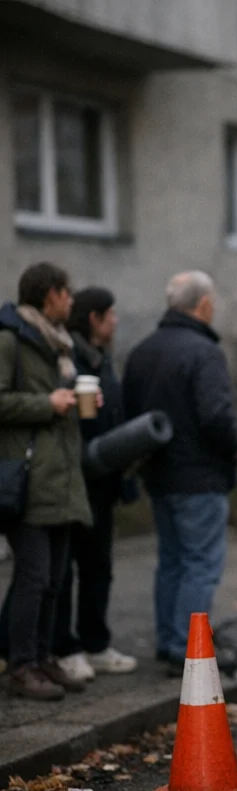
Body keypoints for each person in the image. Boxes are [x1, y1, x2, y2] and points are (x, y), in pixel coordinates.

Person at [122, 271, 237, 673]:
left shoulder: (141, 351)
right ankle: (187, 649)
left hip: (159, 476)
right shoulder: (204, 353)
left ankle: (168, 639)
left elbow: (129, 417)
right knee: (200, 565)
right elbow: (217, 417)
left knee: (171, 562)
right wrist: (232, 450)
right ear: (203, 305)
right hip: (200, 477)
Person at [0, 263, 92, 700]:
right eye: (66, 292)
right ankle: (20, 666)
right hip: (27, 479)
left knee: (55, 579)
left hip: (60, 478)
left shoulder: (59, 344)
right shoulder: (11, 341)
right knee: (34, 577)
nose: (71, 300)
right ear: (49, 295)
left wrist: (74, 401)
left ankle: (41, 657)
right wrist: (46, 403)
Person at [53, 287, 138, 683]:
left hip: (103, 480)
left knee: (97, 566)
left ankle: (94, 643)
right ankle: (65, 648)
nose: (116, 322)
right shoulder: (69, 358)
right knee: (64, 570)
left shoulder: (100, 358)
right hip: (75, 479)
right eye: (111, 315)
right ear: (94, 319)